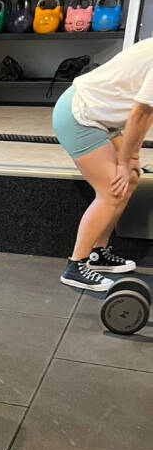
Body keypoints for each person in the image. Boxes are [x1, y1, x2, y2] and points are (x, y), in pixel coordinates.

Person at [52, 39, 153, 291]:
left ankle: (98, 253)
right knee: (111, 189)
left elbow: (146, 113)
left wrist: (131, 158)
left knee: (130, 179)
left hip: (104, 118)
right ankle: (75, 266)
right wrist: (124, 161)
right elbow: (139, 113)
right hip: (79, 114)